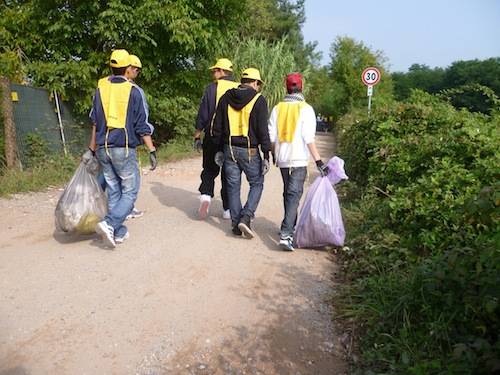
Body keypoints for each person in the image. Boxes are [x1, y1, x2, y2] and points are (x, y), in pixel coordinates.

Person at [84, 49, 157, 248]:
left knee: (114, 190)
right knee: (130, 192)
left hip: (102, 148)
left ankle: (116, 232)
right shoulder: (134, 91)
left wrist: (91, 149)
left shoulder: (101, 88)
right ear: (127, 68)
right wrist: (151, 150)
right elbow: (142, 125)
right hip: (122, 148)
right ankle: (109, 223)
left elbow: (95, 121)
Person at [268, 72, 329, 251]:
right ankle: (287, 234)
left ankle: (288, 226)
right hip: (299, 159)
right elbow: (308, 138)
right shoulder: (306, 109)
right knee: (294, 195)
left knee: (289, 192)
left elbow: (271, 136)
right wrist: (318, 161)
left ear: (286, 88)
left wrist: (274, 154)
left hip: (283, 160)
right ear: (301, 87)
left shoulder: (277, 108)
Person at [212, 68, 271, 238]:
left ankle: (236, 224)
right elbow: (262, 130)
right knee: (257, 183)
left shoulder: (225, 97)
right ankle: (246, 217)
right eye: (258, 84)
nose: (258, 87)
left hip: (229, 149)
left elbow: (217, 126)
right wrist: (266, 153)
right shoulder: (259, 100)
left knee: (233, 187)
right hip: (250, 151)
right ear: (254, 82)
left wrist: (218, 149)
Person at [194, 58, 239, 220]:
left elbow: (203, 113)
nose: (213, 73)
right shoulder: (239, 89)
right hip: (231, 140)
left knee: (209, 169)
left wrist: (197, 133)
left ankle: (206, 196)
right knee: (228, 174)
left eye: (215, 70)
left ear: (221, 71)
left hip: (212, 137)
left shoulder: (212, 89)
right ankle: (227, 209)